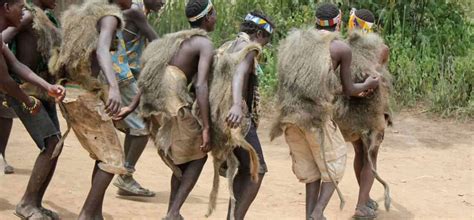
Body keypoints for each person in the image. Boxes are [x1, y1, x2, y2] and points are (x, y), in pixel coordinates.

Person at [270, 3, 379, 220]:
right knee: (334, 166)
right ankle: (318, 213)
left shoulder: (296, 43)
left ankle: (310, 215)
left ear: (316, 21)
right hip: (315, 118)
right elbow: (349, 90)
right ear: (338, 22)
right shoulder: (340, 48)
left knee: (311, 174)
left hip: (289, 118)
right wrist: (368, 83)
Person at [48, 0, 133, 219]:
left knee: (103, 155)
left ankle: (94, 213)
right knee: (114, 158)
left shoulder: (82, 14)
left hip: (70, 90)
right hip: (84, 94)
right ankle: (87, 214)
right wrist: (113, 87)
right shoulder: (109, 16)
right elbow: (103, 48)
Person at [132, 0, 216, 218]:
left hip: (156, 95)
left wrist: (132, 105)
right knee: (199, 155)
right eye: (214, 13)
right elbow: (201, 85)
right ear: (207, 18)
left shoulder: (178, 39)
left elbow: (151, 67)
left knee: (182, 159)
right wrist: (206, 127)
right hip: (172, 95)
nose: (215, 17)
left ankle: (172, 212)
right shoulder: (204, 44)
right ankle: (173, 212)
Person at [0, 0, 65, 218]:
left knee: (55, 143)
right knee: (52, 142)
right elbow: (7, 75)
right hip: (21, 89)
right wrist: (26, 99)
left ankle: (33, 202)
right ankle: (28, 203)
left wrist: (48, 86)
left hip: (35, 89)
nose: (23, 10)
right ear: (7, 7)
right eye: (20, 6)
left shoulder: (42, 17)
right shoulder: (27, 17)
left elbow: (17, 64)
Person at [207, 10, 274, 220]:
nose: (264, 46)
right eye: (266, 40)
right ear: (260, 34)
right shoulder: (250, 48)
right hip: (237, 119)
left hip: (222, 116)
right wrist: (236, 104)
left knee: (245, 169)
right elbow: (240, 73)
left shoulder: (228, 45)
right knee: (257, 169)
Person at [334, 8, 393, 219]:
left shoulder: (340, 47)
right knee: (370, 157)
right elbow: (373, 72)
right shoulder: (381, 49)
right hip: (369, 113)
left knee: (360, 153)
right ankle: (361, 205)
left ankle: (365, 198)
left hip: (346, 114)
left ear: (352, 24)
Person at [112, 0, 165, 198]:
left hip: (126, 73)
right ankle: (125, 176)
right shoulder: (135, 11)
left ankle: (124, 174)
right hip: (121, 73)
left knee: (135, 126)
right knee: (141, 128)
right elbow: (157, 42)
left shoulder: (139, 10)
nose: (163, 2)